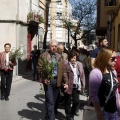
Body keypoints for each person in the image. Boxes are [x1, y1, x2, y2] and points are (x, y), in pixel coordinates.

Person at [89, 47, 120, 120]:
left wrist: (118, 109)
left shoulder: (113, 71)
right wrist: (99, 112)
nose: (116, 60)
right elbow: (93, 95)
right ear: (105, 58)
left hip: (113, 112)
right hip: (102, 112)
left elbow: (116, 93)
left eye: (116, 58)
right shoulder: (96, 73)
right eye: (113, 58)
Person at [37, 39, 64, 120]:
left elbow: (63, 70)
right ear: (49, 46)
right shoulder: (43, 55)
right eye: (52, 46)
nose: (54, 48)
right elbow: (39, 68)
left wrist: (65, 82)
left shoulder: (59, 56)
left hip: (57, 81)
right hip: (48, 81)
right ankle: (51, 118)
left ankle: (48, 115)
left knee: (54, 101)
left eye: (55, 46)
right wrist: (44, 78)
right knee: (50, 101)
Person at [62, 50, 85, 120]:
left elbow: (82, 75)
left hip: (76, 86)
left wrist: (83, 85)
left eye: (74, 58)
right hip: (68, 86)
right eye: (72, 58)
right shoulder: (66, 64)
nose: (73, 59)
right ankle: (68, 116)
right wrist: (64, 84)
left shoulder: (79, 65)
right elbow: (63, 76)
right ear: (69, 58)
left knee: (76, 101)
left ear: (76, 58)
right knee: (68, 102)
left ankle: (72, 113)